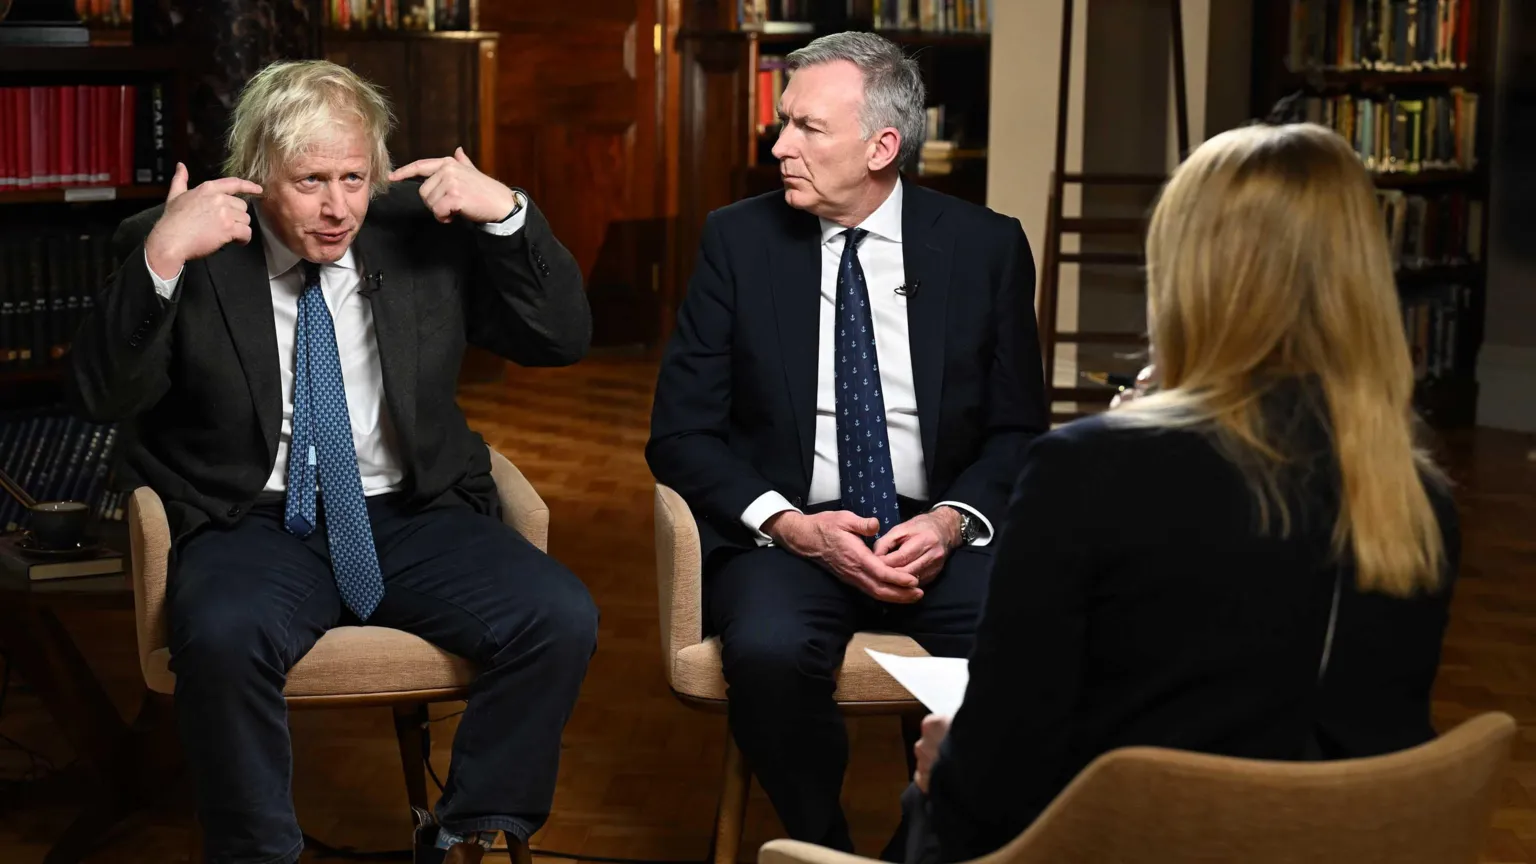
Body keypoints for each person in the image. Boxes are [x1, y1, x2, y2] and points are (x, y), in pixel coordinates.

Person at [66, 60, 598, 864]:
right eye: (311, 179)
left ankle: (464, 831)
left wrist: (509, 215)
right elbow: (101, 397)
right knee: (221, 632)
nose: (337, 206)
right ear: (256, 174)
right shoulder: (185, 238)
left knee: (558, 615)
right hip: (251, 518)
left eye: (354, 176)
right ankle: (259, 852)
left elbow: (560, 339)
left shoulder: (422, 233)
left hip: (413, 512)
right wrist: (165, 260)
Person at [903, 122, 1463, 864]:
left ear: (1188, 270)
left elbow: (997, 787)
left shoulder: (1088, 472)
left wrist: (948, 768)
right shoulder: (1418, 499)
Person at [645, 31, 1047, 855]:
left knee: (1035, 649)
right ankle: (821, 846)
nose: (779, 144)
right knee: (764, 652)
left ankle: (919, 845)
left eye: (806, 128)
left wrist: (947, 523)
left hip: (937, 529)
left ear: (882, 146)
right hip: (791, 528)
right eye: (783, 123)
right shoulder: (737, 240)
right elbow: (681, 433)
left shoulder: (985, 246)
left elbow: (1017, 430)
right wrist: (793, 526)